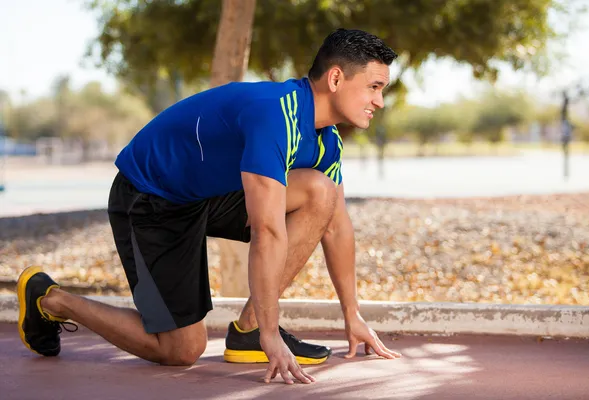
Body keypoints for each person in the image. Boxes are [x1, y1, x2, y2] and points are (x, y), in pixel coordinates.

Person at [17, 28, 402, 385]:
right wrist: (274, 333)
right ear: (336, 79)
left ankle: (249, 329)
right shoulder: (275, 114)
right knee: (181, 350)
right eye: (373, 87)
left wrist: (352, 314)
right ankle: (52, 299)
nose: (379, 101)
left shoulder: (326, 140)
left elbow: (336, 225)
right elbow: (267, 230)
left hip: (208, 193)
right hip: (152, 196)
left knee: (322, 194)